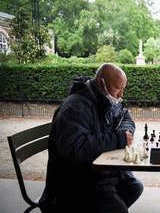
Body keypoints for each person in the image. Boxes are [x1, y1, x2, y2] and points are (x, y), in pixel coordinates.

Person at [40, 63, 143, 213]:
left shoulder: (103, 97)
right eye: (118, 88)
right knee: (119, 208)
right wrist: (118, 139)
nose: (121, 95)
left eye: (123, 89)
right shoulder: (75, 107)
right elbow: (76, 148)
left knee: (134, 187)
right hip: (74, 183)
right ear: (101, 83)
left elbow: (125, 117)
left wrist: (124, 132)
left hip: (96, 173)